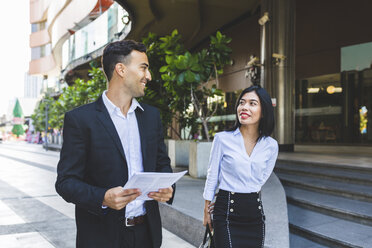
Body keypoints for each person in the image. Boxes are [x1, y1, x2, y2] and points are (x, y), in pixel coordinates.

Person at [55, 40, 174, 248]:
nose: (149, 76)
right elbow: (66, 182)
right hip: (101, 237)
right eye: (143, 68)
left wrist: (169, 188)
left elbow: (162, 164)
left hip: (147, 234)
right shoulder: (80, 120)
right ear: (121, 69)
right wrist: (102, 197)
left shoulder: (151, 117)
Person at [202, 85, 278, 248]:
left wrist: (245, 187)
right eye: (242, 102)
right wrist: (207, 208)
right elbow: (212, 175)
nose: (244, 107)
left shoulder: (271, 145)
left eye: (252, 103)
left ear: (263, 111)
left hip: (254, 213)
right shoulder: (222, 139)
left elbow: (262, 178)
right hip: (226, 211)